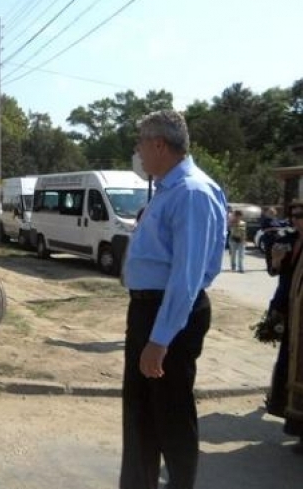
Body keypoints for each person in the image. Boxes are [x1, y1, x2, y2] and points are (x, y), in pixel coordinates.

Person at [120, 110, 227, 489]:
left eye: (140, 144)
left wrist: (159, 340)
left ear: (159, 144)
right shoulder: (169, 189)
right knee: (139, 413)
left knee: (171, 416)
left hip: (169, 314)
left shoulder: (192, 192)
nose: (138, 153)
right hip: (150, 309)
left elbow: (187, 276)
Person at [266, 201, 303, 451]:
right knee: (288, 366)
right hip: (291, 310)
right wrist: (277, 261)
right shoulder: (290, 239)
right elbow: (276, 272)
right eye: (294, 216)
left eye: (301, 215)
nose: (296, 220)